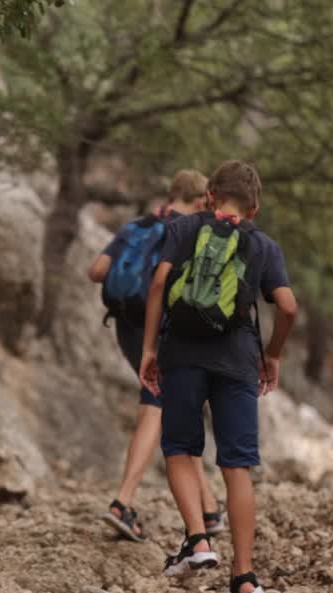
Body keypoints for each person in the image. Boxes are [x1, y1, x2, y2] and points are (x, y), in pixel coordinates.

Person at [139, 160, 298, 593]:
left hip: (183, 355)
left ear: (210, 196)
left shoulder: (185, 228)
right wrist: (273, 354)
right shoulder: (263, 246)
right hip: (238, 363)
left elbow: (158, 284)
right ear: (255, 208)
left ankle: (199, 539)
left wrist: (150, 350)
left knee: (180, 449)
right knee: (236, 465)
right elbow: (287, 307)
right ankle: (244, 577)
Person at [88, 170, 224, 542]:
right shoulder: (193, 230)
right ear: (201, 202)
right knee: (157, 404)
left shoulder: (136, 227)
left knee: (176, 408)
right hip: (164, 329)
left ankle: (209, 508)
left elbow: (97, 270)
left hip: (126, 327)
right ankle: (122, 502)